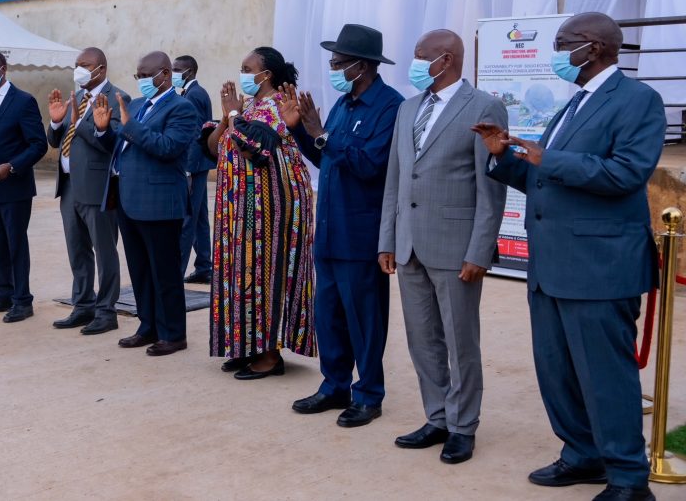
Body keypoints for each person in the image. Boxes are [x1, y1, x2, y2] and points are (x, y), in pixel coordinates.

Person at [474, 13, 664, 501]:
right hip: (552, 266)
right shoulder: (573, 104)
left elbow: (627, 173)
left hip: (600, 268)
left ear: (595, 46)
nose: (555, 53)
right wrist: (504, 157)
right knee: (556, 370)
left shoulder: (639, 100)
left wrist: (546, 158)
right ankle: (583, 454)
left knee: (605, 376)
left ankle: (627, 477)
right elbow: (544, 178)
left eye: (563, 44)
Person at [378, 29, 506, 463]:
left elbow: (491, 188)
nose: (414, 63)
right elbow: (396, 180)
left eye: (420, 56)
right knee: (422, 340)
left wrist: (480, 251)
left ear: (445, 58)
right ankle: (436, 418)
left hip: (456, 249)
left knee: (460, 340)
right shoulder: (408, 108)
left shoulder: (484, 106)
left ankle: (463, 426)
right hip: (410, 244)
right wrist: (388, 239)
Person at [280, 24, 403, 426]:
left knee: (364, 318)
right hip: (330, 231)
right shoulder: (343, 104)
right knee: (328, 314)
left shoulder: (389, 107)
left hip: (360, 233)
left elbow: (370, 166)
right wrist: (301, 130)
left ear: (362, 66)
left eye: (338, 63)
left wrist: (321, 135)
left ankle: (368, 393)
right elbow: (325, 158)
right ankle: (335, 385)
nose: (332, 69)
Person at [207, 46, 316, 379]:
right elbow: (215, 148)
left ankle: (270, 354)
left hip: (270, 211)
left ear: (266, 75)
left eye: (247, 67)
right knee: (238, 275)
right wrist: (227, 117)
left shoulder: (277, 107)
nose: (242, 73)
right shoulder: (246, 106)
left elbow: (254, 149)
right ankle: (246, 346)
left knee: (266, 275)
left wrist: (235, 117)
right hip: (237, 209)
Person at [93, 51, 196, 356]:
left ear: (165, 74)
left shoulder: (182, 108)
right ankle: (148, 325)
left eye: (145, 75)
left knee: (164, 271)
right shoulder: (136, 106)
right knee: (139, 269)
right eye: (137, 75)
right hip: (128, 198)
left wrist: (130, 127)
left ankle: (174, 333)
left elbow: (168, 148)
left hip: (160, 201)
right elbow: (121, 147)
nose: (140, 81)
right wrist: (103, 130)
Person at [46, 47, 130, 335]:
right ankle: (83, 304)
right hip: (69, 187)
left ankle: (106, 311)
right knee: (77, 248)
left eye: (85, 65)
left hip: (98, 188)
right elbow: (56, 141)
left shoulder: (118, 97)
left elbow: (113, 144)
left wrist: (86, 126)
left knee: (104, 251)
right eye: (77, 64)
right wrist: (57, 122)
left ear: (101, 69)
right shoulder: (78, 97)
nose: (78, 69)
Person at [0, 51, 47, 323]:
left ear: (3, 69)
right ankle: (3, 292)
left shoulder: (23, 101)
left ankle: (23, 300)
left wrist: (12, 166)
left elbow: (38, 145)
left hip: (15, 189)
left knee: (16, 244)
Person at [172, 55, 216, 285]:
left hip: (193, 165)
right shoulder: (193, 93)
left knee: (188, 218)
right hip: (198, 164)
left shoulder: (194, 95)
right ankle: (204, 266)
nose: (173, 72)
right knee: (199, 218)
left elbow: (196, 133)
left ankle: (176, 272)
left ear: (189, 71)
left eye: (177, 69)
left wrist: (187, 167)